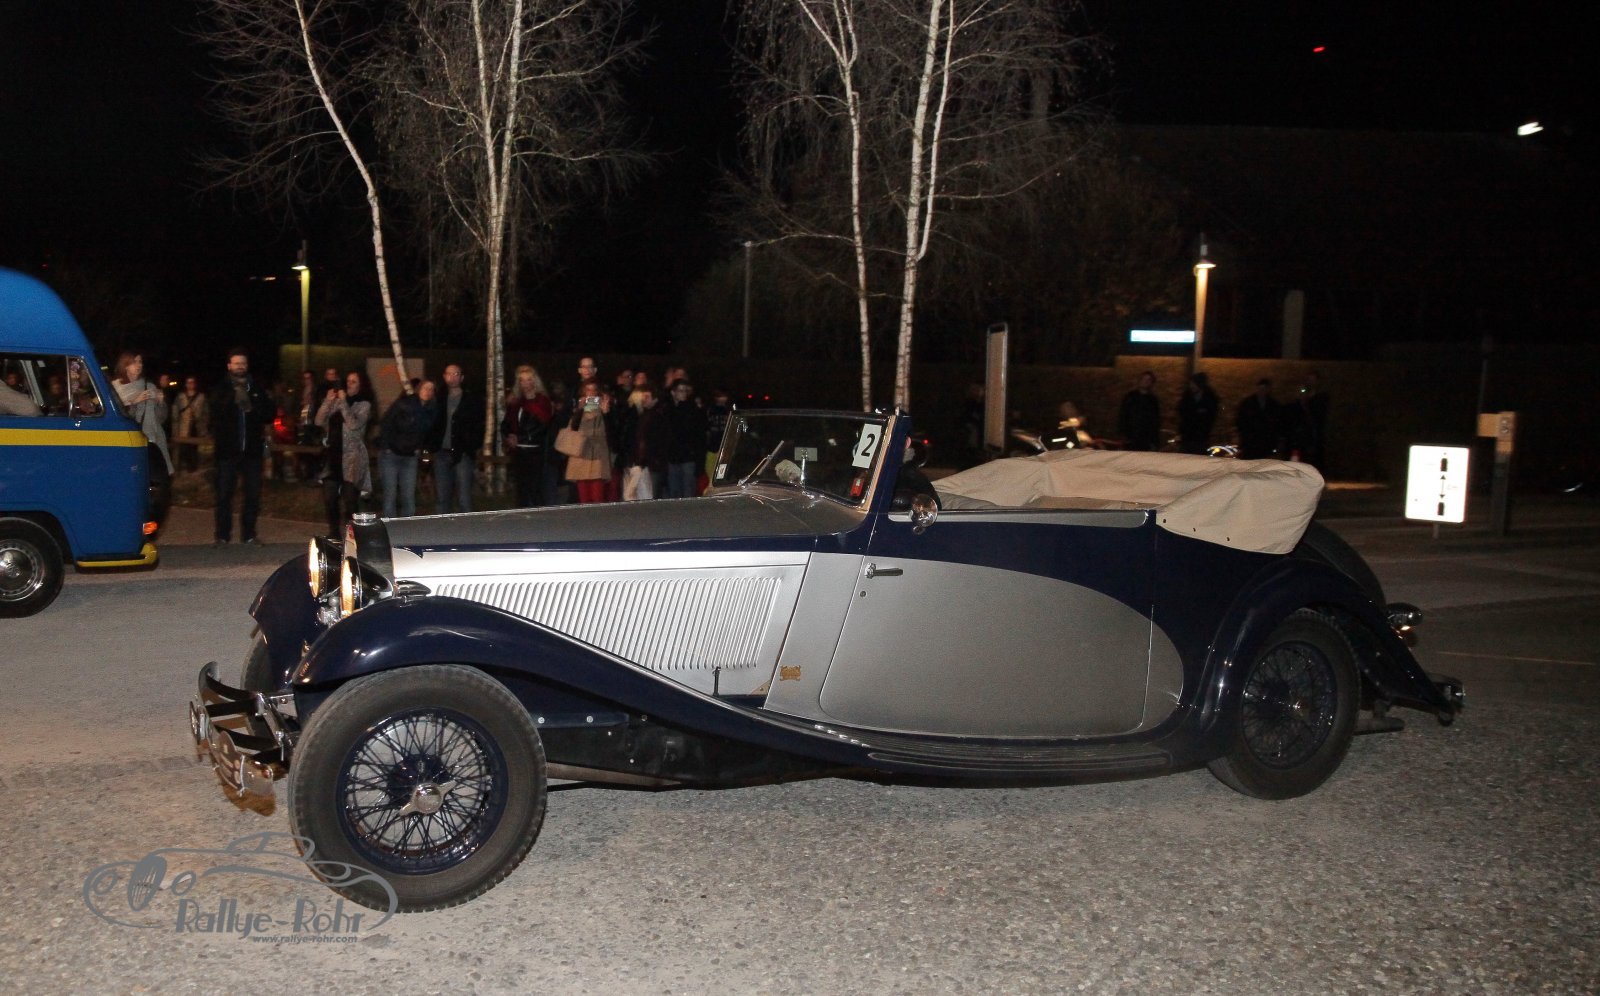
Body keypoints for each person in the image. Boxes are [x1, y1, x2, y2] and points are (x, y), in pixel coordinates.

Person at [208, 348, 273, 546]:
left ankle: (249, 534)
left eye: (243, 363)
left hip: (251, 452)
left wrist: (253, 404)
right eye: (236, 363)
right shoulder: (221, 389)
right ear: (229, 366)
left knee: (252, 494)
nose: (240, 366)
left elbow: (269, 414)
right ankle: (222, 535)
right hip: (227, 452)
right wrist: (233, 399)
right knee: (224, 495)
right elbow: (215, 414)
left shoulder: (256, 388)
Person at [315, 369, 376, 538]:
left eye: (354, 381)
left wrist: (343, 402)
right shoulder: (337, 401)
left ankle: (353, 535)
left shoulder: (364, 405)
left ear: (361, 385)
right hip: (333, 455)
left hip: (351, 457)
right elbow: (319, 420)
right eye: (348, 381)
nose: (349, 384)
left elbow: (353, 424)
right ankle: (334, 532)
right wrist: (328, 401)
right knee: (330, 497)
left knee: (350, 500)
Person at [425, 363, 486, 514]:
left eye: (456, 374)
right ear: (444, 376)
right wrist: (430, 445)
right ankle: (443, 526)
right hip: (441, 453)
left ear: (462, 377)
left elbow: (479, 425)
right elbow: (430, 423)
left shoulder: (471, 399)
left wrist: (470, 446)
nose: (452, 377)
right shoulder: (438, 399)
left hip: (462, 454)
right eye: (449, 374)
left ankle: (467, 527)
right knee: (442, 497)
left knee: (464, 498)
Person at [377, 378, 436, 518]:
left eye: (431, 389)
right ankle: (390, 526)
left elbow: (426, 434)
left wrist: (419, 448)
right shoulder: (404, 404)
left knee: (408, 496)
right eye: (425, 388)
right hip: (391, 455)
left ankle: (407, 526)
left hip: (410, 456)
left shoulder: (431, 411)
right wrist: (387, 446)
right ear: (418, 389)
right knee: (390, 494)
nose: (428, 392)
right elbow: (386, 423)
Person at [112, 351, 173, 475]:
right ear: (125, 365)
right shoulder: (115, 389)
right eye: (134, 362)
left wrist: (161, 402)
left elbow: (161, 418)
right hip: (128, 440)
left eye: (140, 362)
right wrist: (134, 402)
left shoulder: (149, 387)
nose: (138, 365)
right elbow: (115, 417)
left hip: (153, 439)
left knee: (154, 476)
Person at [502, 364, 554, 508]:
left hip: (535, 451)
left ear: (535, 381)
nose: (525, 384)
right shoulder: (516, 402)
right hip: (518, 451)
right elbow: (506, 424)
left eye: (529, 379)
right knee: (521, 489)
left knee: (535, 489)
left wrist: (521, 438)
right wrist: (509, 436)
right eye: (522, 380)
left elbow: (542, 427)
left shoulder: (542, 402)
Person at [564, 377, 613, 504]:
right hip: (581, 454)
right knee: (584, 499)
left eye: (594, 390)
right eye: (588, 390)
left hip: (598, 455)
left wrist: (606, 413)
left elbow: (610, 432)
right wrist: (580, 410)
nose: (591, 393)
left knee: (597, 497)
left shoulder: (604, 406)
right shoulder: (580, 408)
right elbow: (573, 428)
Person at [619, 384, 667, 500]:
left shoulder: (658, 416)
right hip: (643, 462)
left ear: (655, 399)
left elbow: (655, 441)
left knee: (651, 495)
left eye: (647, 397)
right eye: (642, 397)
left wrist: (645, 460)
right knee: (641, 495)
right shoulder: (642, 416)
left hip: (652, 464)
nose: (643, 400)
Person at [664, 378, 707, 498]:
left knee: (688, 492)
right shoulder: (668, 409)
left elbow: (698, 435)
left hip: (688, 457)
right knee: (674, 492)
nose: (683, 393)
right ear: (673, 392)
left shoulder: (692, 410)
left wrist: (698, 459)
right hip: (673, 457)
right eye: (680, 390)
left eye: (685, 391)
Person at [1290, 370, 1330, 469]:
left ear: (1318, 381)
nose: (1311, 382)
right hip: (1303, 435)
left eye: (1313, 380)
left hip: (1316, 434)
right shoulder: (1304, 395)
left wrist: (1306, 402)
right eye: (1309, 380)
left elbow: (1318, 415)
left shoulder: (1322, 396)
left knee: (1316, 461)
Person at [1235, 378, 1282, 460]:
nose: (1262, 391)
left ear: (1268, 389)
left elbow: (1277, 424)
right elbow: (1241, 421)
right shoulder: (1247, 403)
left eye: (1264, 388)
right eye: (1260, 388)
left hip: (1265, 442)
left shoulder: (1273, 405)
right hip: (1250, 441)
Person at [170, 375, 209, 471]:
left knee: (194, 448)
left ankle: (193, 468)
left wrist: (204, 425)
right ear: (186, 384)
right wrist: (175, 427)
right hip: (183, 426)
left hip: (197, 427)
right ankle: (182, 468)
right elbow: (175, 411)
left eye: (192, 382)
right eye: (188, 382)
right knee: (183, 448)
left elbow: (206, 412)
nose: (190, 384)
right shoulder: (180, 397)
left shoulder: (201, 397)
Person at [1116, 370, 1162, 451]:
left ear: (1152, 383)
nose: (1145, 381)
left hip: (1146, 439)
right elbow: (1123, 416)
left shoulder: (1153, 400)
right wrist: (1122, 434)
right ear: (1139, 380)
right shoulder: (1130, 397)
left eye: (1148, 380)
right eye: (1144, 379)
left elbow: (1155, 421)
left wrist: (1154, 440)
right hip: (1130, 437)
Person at [1177, 371, 1220, 455]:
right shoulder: (1186, 397)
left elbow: (1211, 417)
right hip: (1187, 436)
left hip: (1201, 437)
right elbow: (1182, 412)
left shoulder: (1210, 398)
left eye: (1193, 384)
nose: (1191, 386)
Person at [704, 387, 732, 478]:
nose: (722, 399)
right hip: (712, 446)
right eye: (719, 396)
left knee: (721, 473)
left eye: (724, 396)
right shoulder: (709, 410)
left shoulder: (729, 410)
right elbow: (706, 427)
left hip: (724, 446)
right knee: (710, 470)